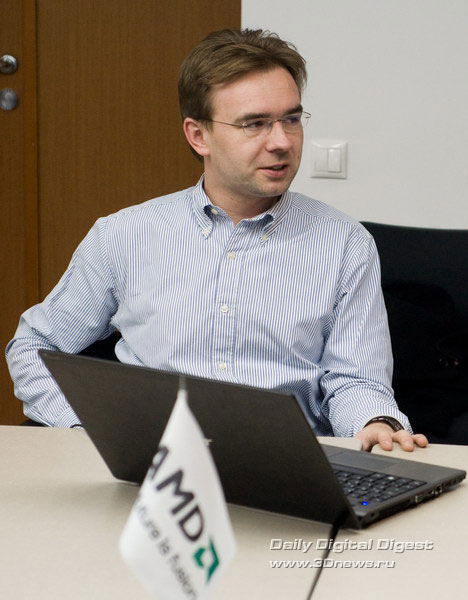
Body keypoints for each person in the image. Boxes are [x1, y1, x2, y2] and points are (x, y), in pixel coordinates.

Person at [6, 28, 427, 452]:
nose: (281, 141)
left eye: (291, 119)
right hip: (155, 466)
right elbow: (35, 346)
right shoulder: (124, 236)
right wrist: (88, 429)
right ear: (198, 135)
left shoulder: (345, 243)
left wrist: (375, 422)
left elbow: (356, 379)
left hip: (285, 463)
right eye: (255, 124)